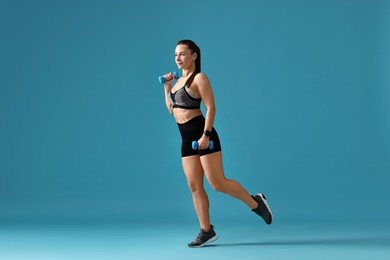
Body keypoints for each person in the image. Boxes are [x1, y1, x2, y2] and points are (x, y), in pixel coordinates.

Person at [161, 39, 273, 248]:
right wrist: (167, 88)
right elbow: (172, 109)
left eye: (183, 54)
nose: (178, 58)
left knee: (217, 183)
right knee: (194, 186)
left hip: (203, 134)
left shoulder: (199, 78)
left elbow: (211, 108)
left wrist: (206, 135)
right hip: (186, 139)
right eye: (176, 54)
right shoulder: (176, 83)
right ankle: (206, 231)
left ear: (194, 55)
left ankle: (256, 203)